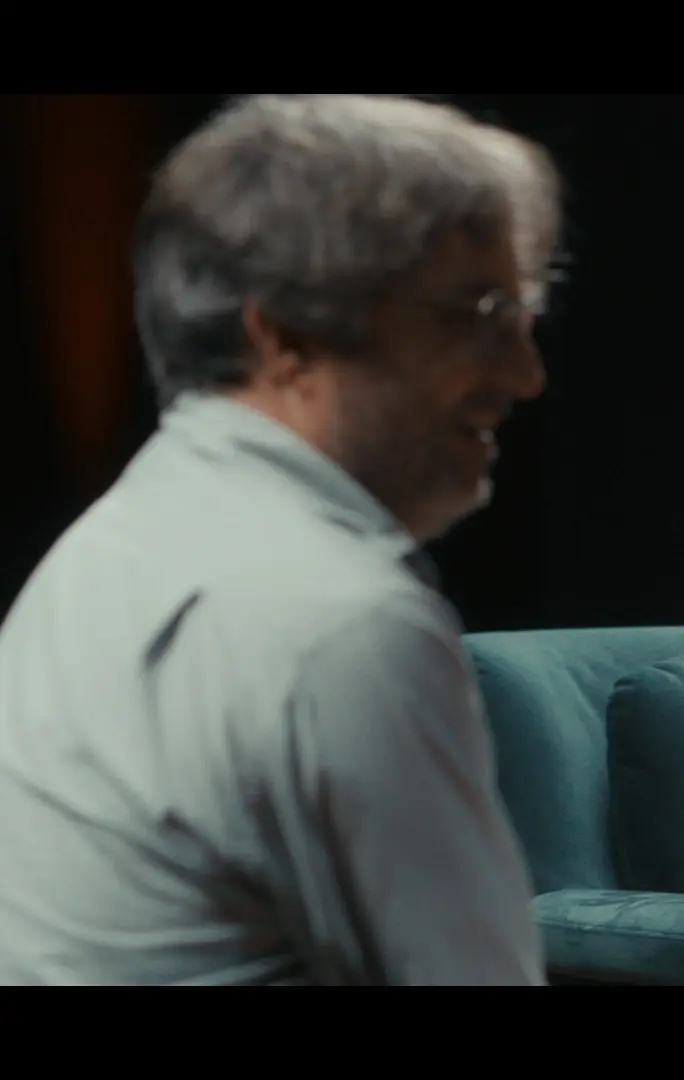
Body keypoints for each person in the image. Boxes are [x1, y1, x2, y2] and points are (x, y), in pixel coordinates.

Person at [0, 95, 560, 985]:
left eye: (522, 315)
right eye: (476, 315)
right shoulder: (343, 623)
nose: (526, 374)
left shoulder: (109, 544)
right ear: (288, 336)